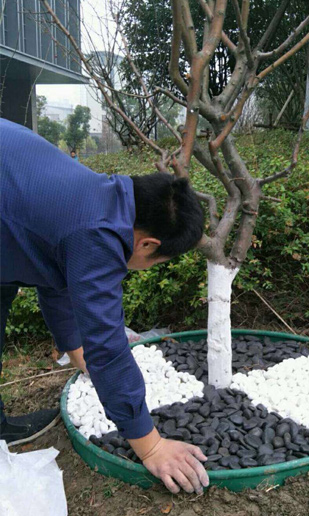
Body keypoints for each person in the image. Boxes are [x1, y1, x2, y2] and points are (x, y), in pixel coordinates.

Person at [0, 118, 209, 495]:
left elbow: (56, 277)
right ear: (148, 245)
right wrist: (152, 446)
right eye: (157, 262)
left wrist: (76, 350)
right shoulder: (97, 235)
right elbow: (108, 349)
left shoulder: (105, 196)